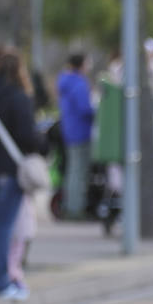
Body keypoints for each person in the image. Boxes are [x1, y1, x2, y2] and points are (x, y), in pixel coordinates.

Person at [0, 49, 40, 299]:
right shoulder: (17, 97)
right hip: (9, 169)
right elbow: (27, 136)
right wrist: (42, 144)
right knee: (3, 229)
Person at [57, 54, 95, 220]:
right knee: (79, 171)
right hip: (81, 131)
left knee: (72, 170)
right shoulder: (79, 83)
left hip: (70, 129)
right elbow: (85, 108)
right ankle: (75, 209)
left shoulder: (65, 81)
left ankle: (70, 205)